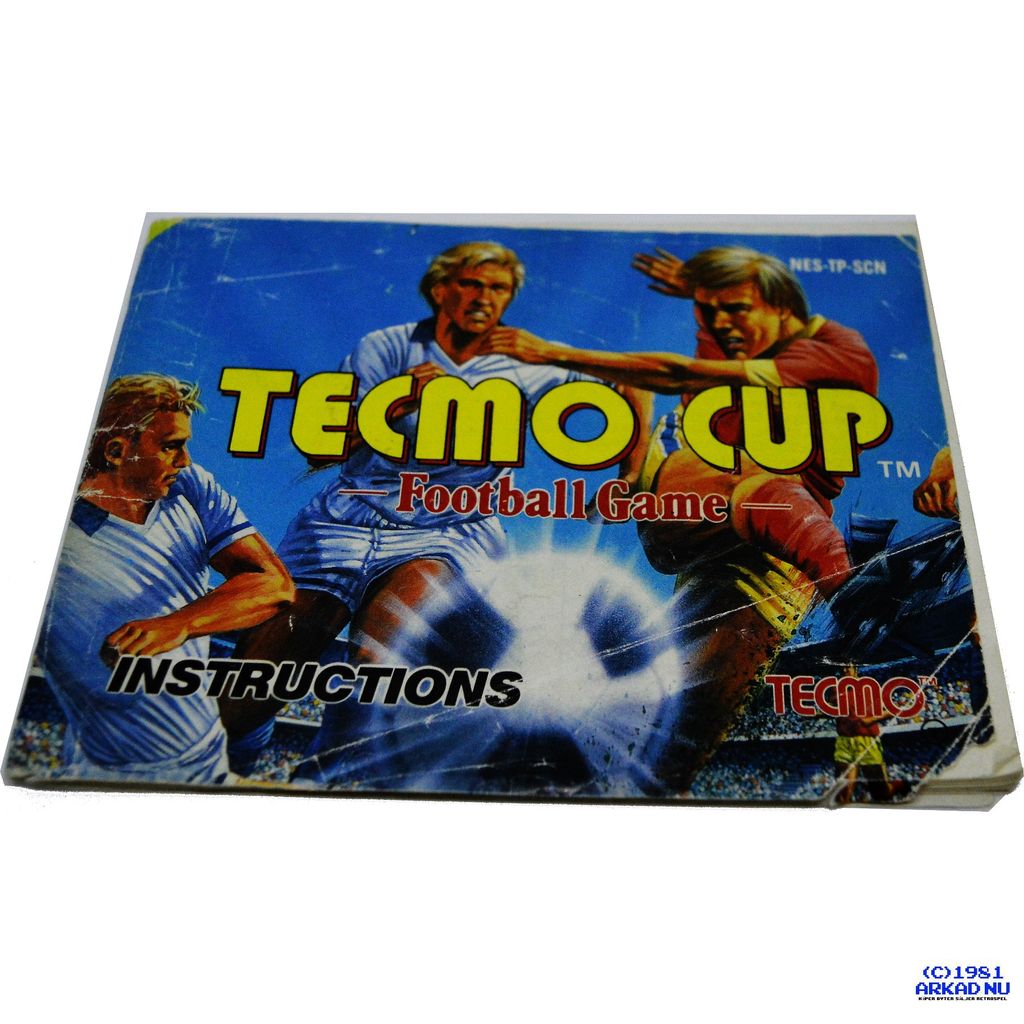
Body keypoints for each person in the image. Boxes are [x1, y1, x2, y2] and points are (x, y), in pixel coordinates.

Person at [229, 241, 647, 768]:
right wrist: (394, 401)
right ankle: (239, 748)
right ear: (440, 289)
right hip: (348, 519)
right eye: (471, 284)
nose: (483, 298)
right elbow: (321, 450)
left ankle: (330, 774)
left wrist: (629, 474)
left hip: (452, 526)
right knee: (251, 684)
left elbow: (634, 382)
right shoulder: (385, 347)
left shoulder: (530, 360)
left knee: (383, 659)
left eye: (498, 289)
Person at [479, 245, 881, 791]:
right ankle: (848, 591)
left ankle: (866, 759)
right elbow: (670, 371)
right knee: (745, 485)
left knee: (679, 740)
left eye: (735, 309)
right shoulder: (737, 335)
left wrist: (550, 351)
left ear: (781, 306)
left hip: (761, 556)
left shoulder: (832, 357)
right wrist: (632, 471)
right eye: (709, 311)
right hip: (702, 505)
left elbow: (674, 371)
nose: (720, 324)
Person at [38, 374, 294, 785]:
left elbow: (274, 585)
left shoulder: (188, 487)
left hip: (209, 763)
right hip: (109, 779)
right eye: (171, 446)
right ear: (117, 451)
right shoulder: (56, 539)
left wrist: (179, 624)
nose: (185, 460)